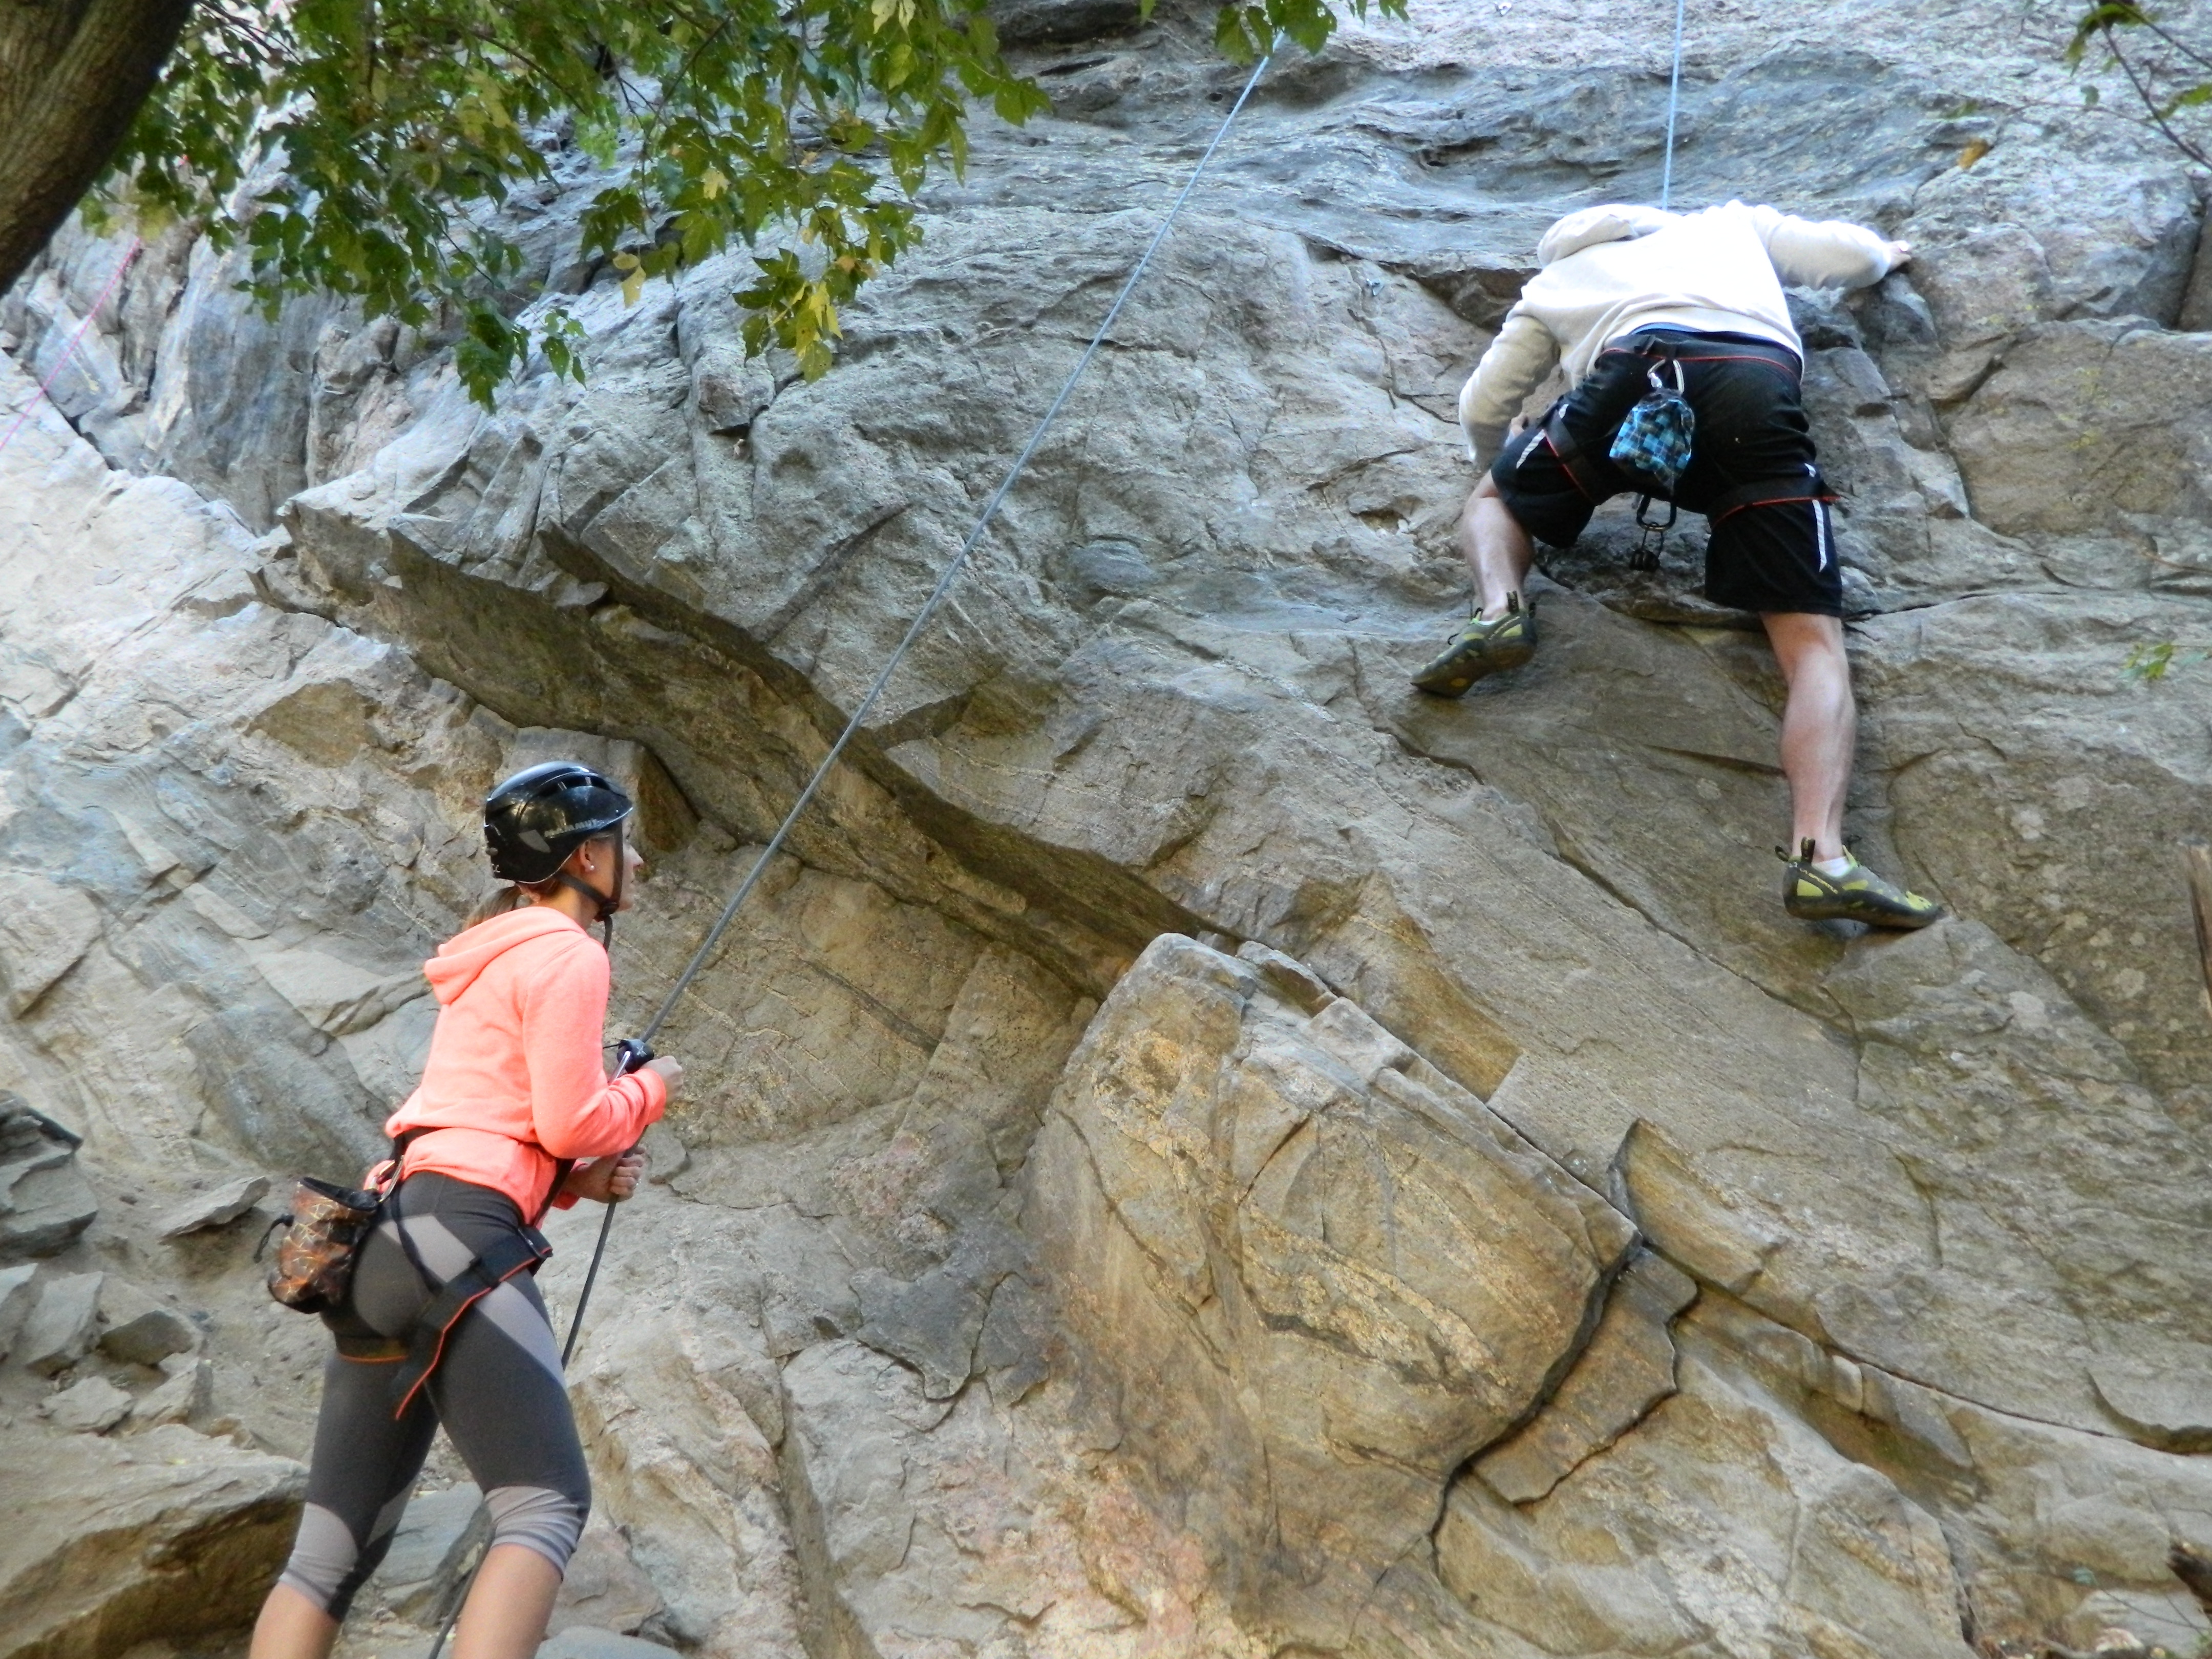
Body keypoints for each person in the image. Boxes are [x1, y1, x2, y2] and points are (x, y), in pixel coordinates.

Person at [250, 761, 683, 1659]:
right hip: (460, 1239)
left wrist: (570, 1183)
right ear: (587, 859)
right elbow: (570, 1118)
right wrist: (647, 1092)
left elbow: (479, 1121)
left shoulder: (492, 955)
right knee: (545, 1508)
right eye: (623, 845)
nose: (637, 862)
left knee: (326, 1558)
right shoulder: (567, 952)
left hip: (386, 1241)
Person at [1412, 200, 1944, 929]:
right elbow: (1845, 259)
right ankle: (1821, 859)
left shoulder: (1555, 279)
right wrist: (1887, 252)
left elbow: (1483, 402)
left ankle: (1500, 612)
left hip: (1636, 379)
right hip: (1752, 385)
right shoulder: (1725, 223)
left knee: (1492, 501)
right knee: (1813, 645)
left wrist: (1506, 467)